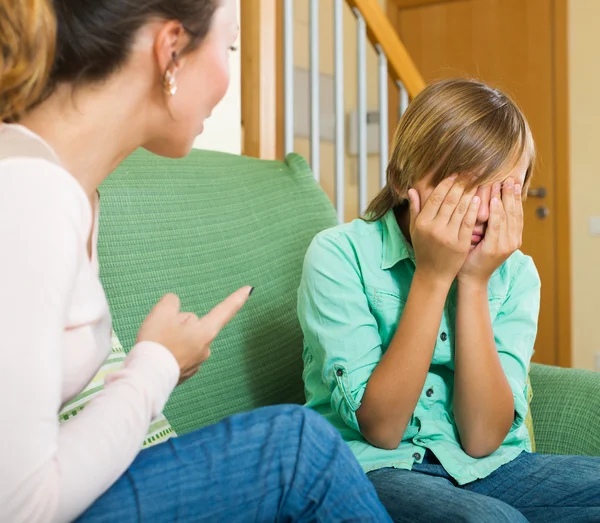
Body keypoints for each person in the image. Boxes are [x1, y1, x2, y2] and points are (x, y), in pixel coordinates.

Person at [0, 1, 392, 521]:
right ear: (171, 50)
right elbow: (22, 504)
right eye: (229, 47)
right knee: (295, 447)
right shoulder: (28, 194)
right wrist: (156, 365)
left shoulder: (68, 189)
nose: (229, 76)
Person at [298, 78, 600, 523]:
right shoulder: (338, 254)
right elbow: (381, 429)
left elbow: (482, 439)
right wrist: (435, 274)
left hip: (488, 466)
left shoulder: (516, 274)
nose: (481, 211)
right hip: (375, 466)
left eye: (502, 192)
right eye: (464, 187)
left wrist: (475, 282)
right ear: (403, 179)